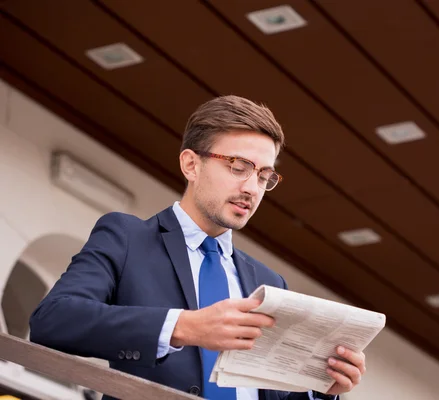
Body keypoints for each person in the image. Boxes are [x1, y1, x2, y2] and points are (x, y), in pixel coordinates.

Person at [29, 96, 366, 400]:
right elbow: (53, 320)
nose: (252, 188)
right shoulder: (128, 238)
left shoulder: (270, 284)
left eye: (264, 176)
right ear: (191, 164)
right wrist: (182, 327)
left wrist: (321, 387)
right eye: (238, 166)